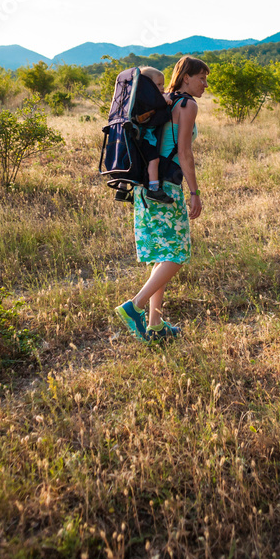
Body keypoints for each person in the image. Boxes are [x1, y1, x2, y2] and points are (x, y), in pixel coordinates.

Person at [114, 56, 209, 344]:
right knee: (177, 254)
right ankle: (135, 306)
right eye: (201, 78)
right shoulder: (187, 105)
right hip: (167, 187)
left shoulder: (163, 101)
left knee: (162, 253)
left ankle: (155, 324)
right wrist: (195, 192)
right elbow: (185, 152)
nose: (205, 84)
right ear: (185, 77)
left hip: (146, 187)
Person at [137, 66, 175, 205]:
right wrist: (164, 100)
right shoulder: (151, 101)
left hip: (139, 139)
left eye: (162, 84)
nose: (162, 87)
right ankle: (154, 188)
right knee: (154, 161)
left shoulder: (138, 99)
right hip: (146, 139)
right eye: (158, 84)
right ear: (147, 86)